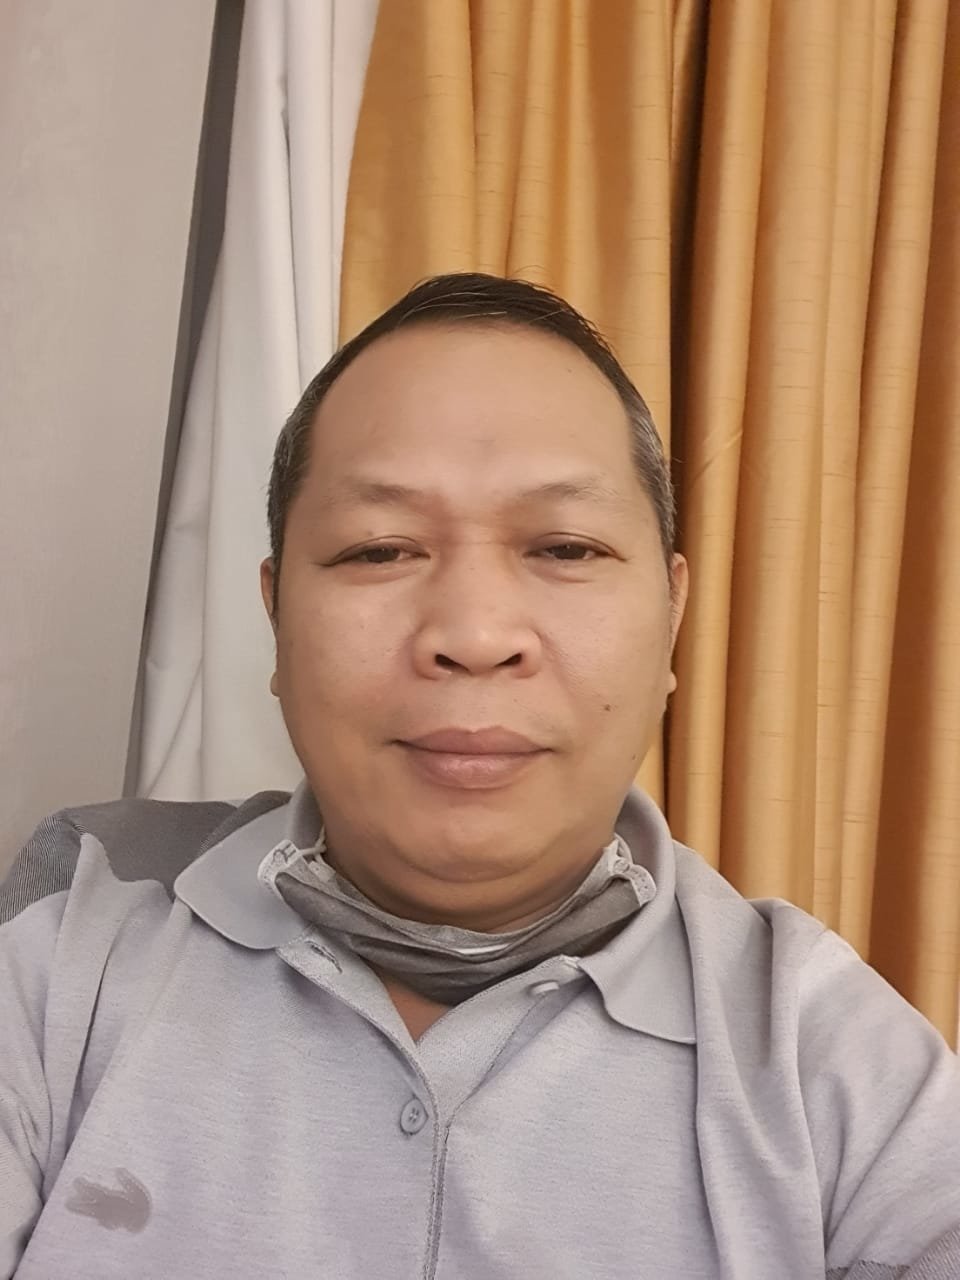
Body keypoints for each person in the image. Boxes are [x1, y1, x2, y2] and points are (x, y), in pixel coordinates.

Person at [0, 274, 957, 1279]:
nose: (475, 632)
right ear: (276, 617)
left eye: (566, 547)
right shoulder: (78, 934)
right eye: (379, 549)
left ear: (672, 617)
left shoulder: (827, 1057)